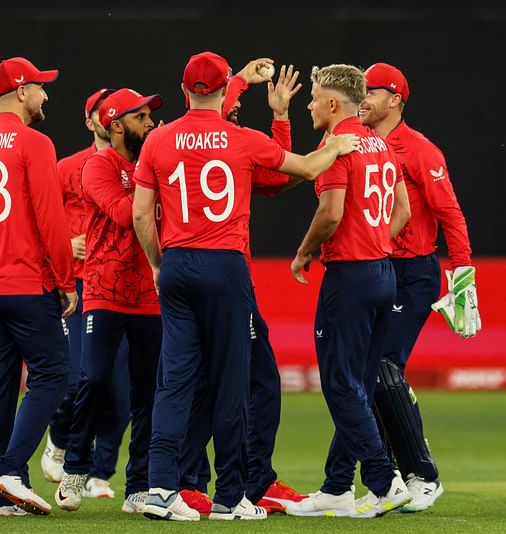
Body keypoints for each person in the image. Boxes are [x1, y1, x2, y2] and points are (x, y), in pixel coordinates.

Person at [132, 51, 359, 522]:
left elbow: (139, 214)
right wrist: (335, 147)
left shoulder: (158, 140)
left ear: (182, 89)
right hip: (225, 267)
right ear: (221, 93)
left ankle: (159, 489)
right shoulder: (242, 140)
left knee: (174, 383)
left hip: (176, 264)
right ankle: (230, 495)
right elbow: (302, 171)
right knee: (233, 383)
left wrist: (158, 263)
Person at [176, 58, 308, 516]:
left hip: (189, 271)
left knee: (228, 380)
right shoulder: (222, 140)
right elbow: (290, 174)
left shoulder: (192, 140)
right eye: (230, 104)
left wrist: (276, 114)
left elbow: (274, 179)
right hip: (224, 275)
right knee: (235, 381)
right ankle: (210, 481)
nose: (234, 110)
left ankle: (233, 479)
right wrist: (253, 94)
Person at [285, 63, 412, 519]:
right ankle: (338, 486)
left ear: (333, 103)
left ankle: (383, 480)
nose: (311, 105)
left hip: (351, 278)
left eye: (315, 97)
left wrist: (303, 252)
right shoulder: (381, 142)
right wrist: (377, 241)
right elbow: (402, 210)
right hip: (382, 273)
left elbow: (331, 212)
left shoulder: (337, 147)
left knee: (340, 385)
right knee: (356, 384)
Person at [0, 56, 76, 517]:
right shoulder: (34, 142)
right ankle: (8, 471)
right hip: (23, 281)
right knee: (53, 373)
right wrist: (65, 280)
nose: (46, 95)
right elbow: (51, 218)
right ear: (22, 91)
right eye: (41, 87)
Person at [359, 62, 481, 512]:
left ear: (395, 99)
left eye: (371, 91)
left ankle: (423, 476)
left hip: (414, 274)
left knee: (383, 368)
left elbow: (450, 213)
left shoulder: (420, 150)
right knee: (368, 374)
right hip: (376, 270)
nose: (363, 98)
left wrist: (463, 275)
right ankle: (387, 476)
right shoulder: (364, 144)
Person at [54, 88, 163, 516]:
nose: (150, 123)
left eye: (151, 116)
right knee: (93, 381)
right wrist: (155, 174)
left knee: (146, 394)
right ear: (116, 125)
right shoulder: (98, 167)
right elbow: (124, 214)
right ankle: (75, 469)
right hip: (103, 290)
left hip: (151, 295)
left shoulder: (154, 160)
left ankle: (138, 485)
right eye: (141, 118)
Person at [41, 88, 131, 500]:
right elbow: (41, 221)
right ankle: (59, 441)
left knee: (121, 392)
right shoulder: (65, 168)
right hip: (77, 285)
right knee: (79, 379)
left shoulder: (134, 165)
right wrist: (67, 243)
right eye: (101, 112)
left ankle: (99, 472)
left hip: (122, 283)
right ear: (90, 120)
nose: (108, 117)